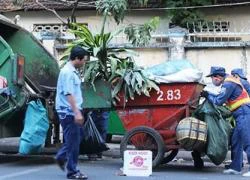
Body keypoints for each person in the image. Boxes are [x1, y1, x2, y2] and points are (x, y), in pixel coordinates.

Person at [201, 66, 250, 177]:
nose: (212, 81)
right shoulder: (230, 81)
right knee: (236, 140)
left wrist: (208, 95)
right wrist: (209, 95)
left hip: (244, 113)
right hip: (240, 114)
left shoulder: (228, 83)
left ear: (217, 77)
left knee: (248, 141)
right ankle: (235, 167)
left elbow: (218, 101)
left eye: (212, 78)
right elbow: (221, 98)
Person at [55, 46, 90, 179]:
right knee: (74, 141)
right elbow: (69, 94)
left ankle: (61, 156)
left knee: (77, 137)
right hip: (68, 112)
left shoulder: (72, 71)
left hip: (70, 111)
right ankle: (72, 171)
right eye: (83, 60)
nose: (84, 63)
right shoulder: (68, 73)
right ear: (76, 58)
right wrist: (77, 113)